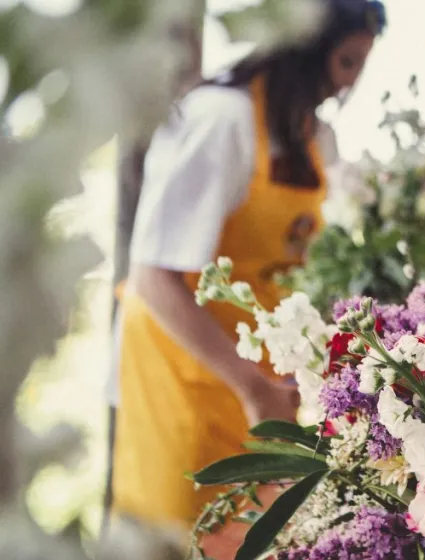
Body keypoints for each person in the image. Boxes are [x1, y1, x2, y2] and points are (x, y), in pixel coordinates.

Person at [111, 0, 386, 530]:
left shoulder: (310, 135)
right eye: (348, 61)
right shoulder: (222, 118)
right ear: (308, 46)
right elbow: (153, 278)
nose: (350, 84)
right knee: (179, 546)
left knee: (254, 545)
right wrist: (252, 385)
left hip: (261, 384)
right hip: (183, 377)